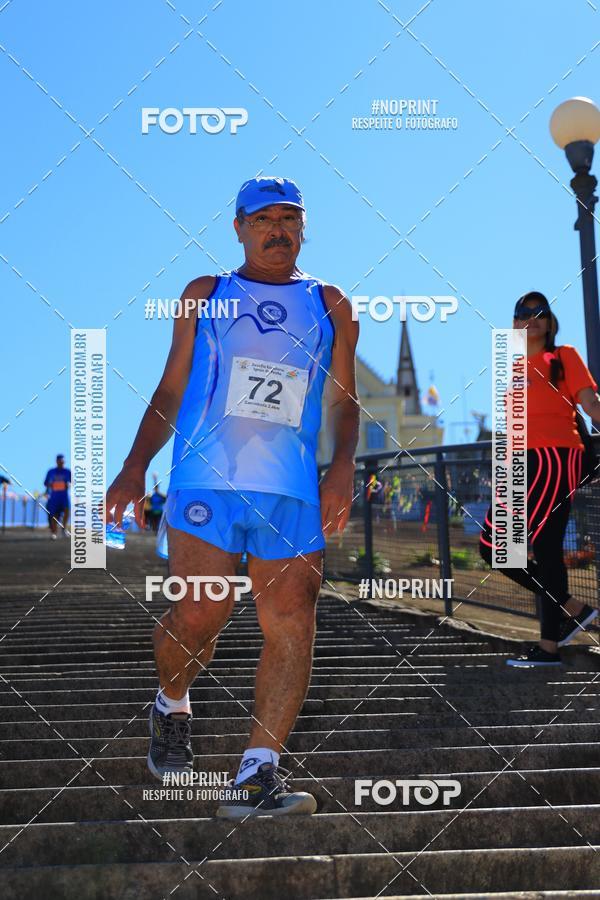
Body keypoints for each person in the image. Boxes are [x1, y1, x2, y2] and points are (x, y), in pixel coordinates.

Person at [106, 176, 359, 817]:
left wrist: (342, 466)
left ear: (304, 227)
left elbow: (342, 399)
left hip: (292, 489)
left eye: (289, 218)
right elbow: (170, 391)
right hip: (207, 480)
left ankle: (258, 772)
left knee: (293, 621)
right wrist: (136, 466)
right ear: (239, 228)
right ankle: (172, 703)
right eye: (262, 219)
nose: (277, 229)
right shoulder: (207, 295)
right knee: (200, 614)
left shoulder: (329, 303)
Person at [479, 291, 600, 667]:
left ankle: (572, 611)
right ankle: (552, 643)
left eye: (539, 312)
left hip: (553, 457)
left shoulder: (563, 356)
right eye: (522, 312)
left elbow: (591, 403)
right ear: (514, 322)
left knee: (496, 547)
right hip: (520, 461)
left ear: (549, 321)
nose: (530, 318)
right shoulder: (511, 365)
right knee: (543, 552)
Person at [43, 454, 71, 539]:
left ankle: (64, 529)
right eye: (60, 461)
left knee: (67, 510)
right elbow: (45, 483)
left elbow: (72, 482)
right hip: (54, 496)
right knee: (54, 514)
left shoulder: (67, 471)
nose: (61, 463)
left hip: (64, 496)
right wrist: (51, 485)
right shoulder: (51, 471)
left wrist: (68, 484)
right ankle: (54, 532)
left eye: (62, 461)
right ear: (56, 461)